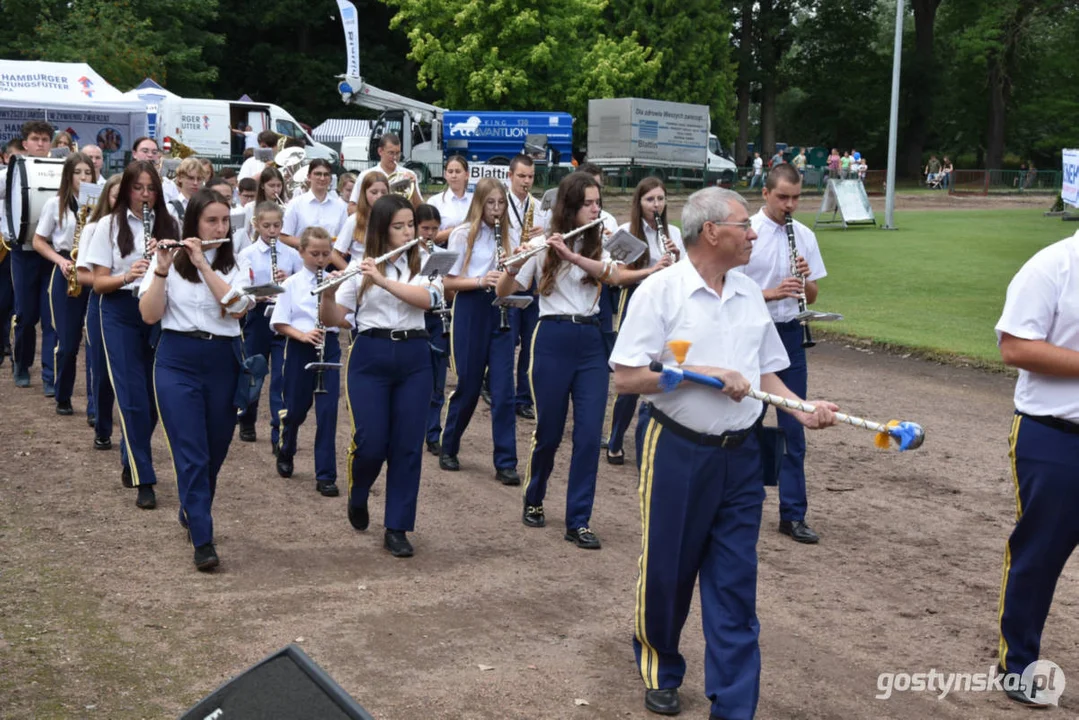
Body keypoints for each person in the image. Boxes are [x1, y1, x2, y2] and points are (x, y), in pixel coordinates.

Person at [610, 185, 837, 720]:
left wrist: (799, 408)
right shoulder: (660, 292)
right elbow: (625, 379)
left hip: (743, 457)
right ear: (712, 231)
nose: (755, 233)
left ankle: (734, 705)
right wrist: (702, 374)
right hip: (677, 450)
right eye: (744, 225)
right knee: (669, 568)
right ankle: (662, 664)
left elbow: (764, 372)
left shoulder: (748, 293)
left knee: (736, 579)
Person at [495, 172, 628, 549]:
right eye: (588, 203)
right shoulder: (541, 244)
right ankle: (534, 497)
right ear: (570, 206)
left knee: (587, 436)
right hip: (552, 337)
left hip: (591, 340)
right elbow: (506, 293)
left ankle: (578, 519)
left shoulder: (602, 242)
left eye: (598, 202)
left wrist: (574, 254)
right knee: (550, 432)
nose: (596, 208)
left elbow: (614, 277)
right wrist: (511, 266)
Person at [319, 194, 442, 558]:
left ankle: (397, 526)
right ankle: (359, 492)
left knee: (407, 445)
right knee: (371, 440)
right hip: (370, 355)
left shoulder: (429, 262)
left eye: (411, 226)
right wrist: (327, 294)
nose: (408, 233)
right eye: (399, 227)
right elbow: (334, 318)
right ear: (382, 230)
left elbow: (428, 300)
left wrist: (383, 281)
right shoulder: (359, 267)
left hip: (415, 355)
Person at [139, 188, 252, 571]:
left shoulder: (235, 264)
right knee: (191, 451)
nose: (220, 227)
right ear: (193, 224)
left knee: (215, 451)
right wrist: (161, 267)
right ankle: (203, 538)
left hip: (224, 360)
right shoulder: (167, 260)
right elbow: (150, 315)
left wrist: (204, 264)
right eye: (211, 221)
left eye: (224, 221)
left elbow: (237, 309)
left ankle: (193, 507)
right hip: (176, 360)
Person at [994, 232, 1079, 708]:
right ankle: (1018, 665)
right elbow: (1016, 348)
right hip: (1056, 435)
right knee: (1040, 554)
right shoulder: (1052, 266)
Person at [739, 162, 828, 545]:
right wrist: (771, 292)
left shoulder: (803, 235)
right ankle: (745, 502)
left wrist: (805, 280)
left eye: (796, 198)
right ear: (765, 194)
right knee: (747, 421)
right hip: (752, 334)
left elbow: (812, 296)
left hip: (790, 334)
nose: (790, 205)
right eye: (783, 197)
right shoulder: (747, 235)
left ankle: (793, 514)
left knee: (796, 423)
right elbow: (729, 290)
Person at [85, 160, 180, 508]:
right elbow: (97, 283)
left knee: (155, 396)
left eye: (150, 188)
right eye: (138, 188)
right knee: (131, 395)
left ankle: (131, 455)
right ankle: (145, 479)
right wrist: (129, 274)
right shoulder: (107, 226)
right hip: (120, 311)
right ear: (126, 189)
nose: (144, 195)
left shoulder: (171, 224)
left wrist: (163, 265)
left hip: (157, 311)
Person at [438, 178, 520, 484]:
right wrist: (480, 280)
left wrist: (511, 272)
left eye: (501, 203)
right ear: (479, 203)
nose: (496, 210)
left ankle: (506, 462)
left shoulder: (511, 235)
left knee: (503, 391)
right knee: (469, 386)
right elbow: (447, 283)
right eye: (490, 203)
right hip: (471, 307)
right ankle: (449, 444)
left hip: (501, 308)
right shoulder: (461, 235)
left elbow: (519, 279)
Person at [604, 177, 684, 465]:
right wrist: (651, 270)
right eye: (650, 200)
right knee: (633, 371)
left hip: (667, 305)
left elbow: (685, 275)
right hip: (635, 302)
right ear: (639, 203)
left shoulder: (673, 232)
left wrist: (676, 259)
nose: (657, 205)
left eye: (661, 199)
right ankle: (615, 438)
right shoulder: (626, 232)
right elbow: (617, 277)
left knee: (668, 369)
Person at [271, 226, 341, 496]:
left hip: (329, 346)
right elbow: (278, 323)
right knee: (297, 409)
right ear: (301, 252)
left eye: (325, 253)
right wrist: (302, 335)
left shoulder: (335, 280)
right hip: (300, 347)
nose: (321, 259)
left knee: (327, 413)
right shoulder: (291, 284)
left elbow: (344, 318)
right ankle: (286, 449)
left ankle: (325, 475)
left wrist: (332, 294)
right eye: (314, 253)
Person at [31, 152, 96, 415]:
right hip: (67, 271)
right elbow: (38, 240)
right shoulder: (55, 204)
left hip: (94, 271)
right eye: (78, 172)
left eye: (88, 172)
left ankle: (95, 407)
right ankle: (63, 393)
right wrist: (60, 261)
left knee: (94, 344)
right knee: (68, 343)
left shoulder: (101, 204)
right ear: (68, 176)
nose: (83, 177)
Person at [236, 201, 302, 449]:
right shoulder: (248, 254)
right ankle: (247, 417)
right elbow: (242, 287)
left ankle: (279, 430)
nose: (272, 231)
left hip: (283, 314)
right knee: (254, 369)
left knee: (281, 376)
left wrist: (290, 280)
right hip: (258, 315)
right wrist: (258, 294)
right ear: (257, 225)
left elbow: (300, 285)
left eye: (276, 226)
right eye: (267, 226)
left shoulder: (292, 254)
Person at [10, 120, 59, 393]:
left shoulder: (60, 171)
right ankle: (21, 363)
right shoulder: (11, 173)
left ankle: (50, 376)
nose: (41, 144)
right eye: (35, 139)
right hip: (23, 252)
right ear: (25, 143)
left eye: (45, 139)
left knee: (51, 316)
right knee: (26, 314)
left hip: (51, 252)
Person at [75, 175, 123, 450]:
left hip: (136, 304)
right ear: (107, 197)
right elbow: (83, 275)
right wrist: (122, 279)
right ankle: (103, 427)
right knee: (102, 371)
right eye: (116, 195)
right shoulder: (95, 228)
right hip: (104, 302)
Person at [503, 154, 551, 421]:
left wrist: (542, 232)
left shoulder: (539, 207)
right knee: (506, 342)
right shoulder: (500, 204)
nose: (526, 181)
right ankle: (501, 391)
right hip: (508, 278)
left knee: (530, 344)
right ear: (510, 176)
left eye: (530, 177)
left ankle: (523, 397)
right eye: (521, 176)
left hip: (532, 282)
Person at [415, 203, 452, 455]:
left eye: (434, 229)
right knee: (416, 377)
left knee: (438, 378)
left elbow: (449, 290)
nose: (429, 234)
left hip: (438, 319)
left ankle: (433, 432)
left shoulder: (442, 254)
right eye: (425, 228)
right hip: (415, 318)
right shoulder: (407, 254)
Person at [347, 133, 422, 212]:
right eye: (391, 153)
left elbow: (420, 209)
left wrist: (413, 188)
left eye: (398, 153)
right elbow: (351, 208)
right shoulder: (365, 175)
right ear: (380, 151)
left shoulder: (409, 174)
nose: (395, 157)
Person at [282, 159, 347, 249]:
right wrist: (309, 244)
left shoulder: (339, 207)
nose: (322, 178)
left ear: (330, 179)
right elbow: (283, 236)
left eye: (326, 174)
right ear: (309, 176)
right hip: (301, 259)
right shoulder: (296, 204)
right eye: (318, 174)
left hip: (331, 259)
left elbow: (343, 238)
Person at [332, 171, 388, 270]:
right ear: (364, 193)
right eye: (374, 192)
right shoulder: (354, 220)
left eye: (383, 192)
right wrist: (350, 274)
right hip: (360, 276)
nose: (379, 196)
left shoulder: (393, 219)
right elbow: (335, 254)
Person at [426, 155, 472, 246]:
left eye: (458, 171)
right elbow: (428, 237)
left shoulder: (475, 200)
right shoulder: (435, 201)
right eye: (450, 172)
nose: (454, 175)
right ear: (445, 175)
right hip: (445, 251)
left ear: (466, 175)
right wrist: (455, 230)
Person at [167, 157, 207, 223]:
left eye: (199, 179)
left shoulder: (207, 206)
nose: (195, 183)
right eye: (191, 178)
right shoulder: (170, 208)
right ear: (180, 178)